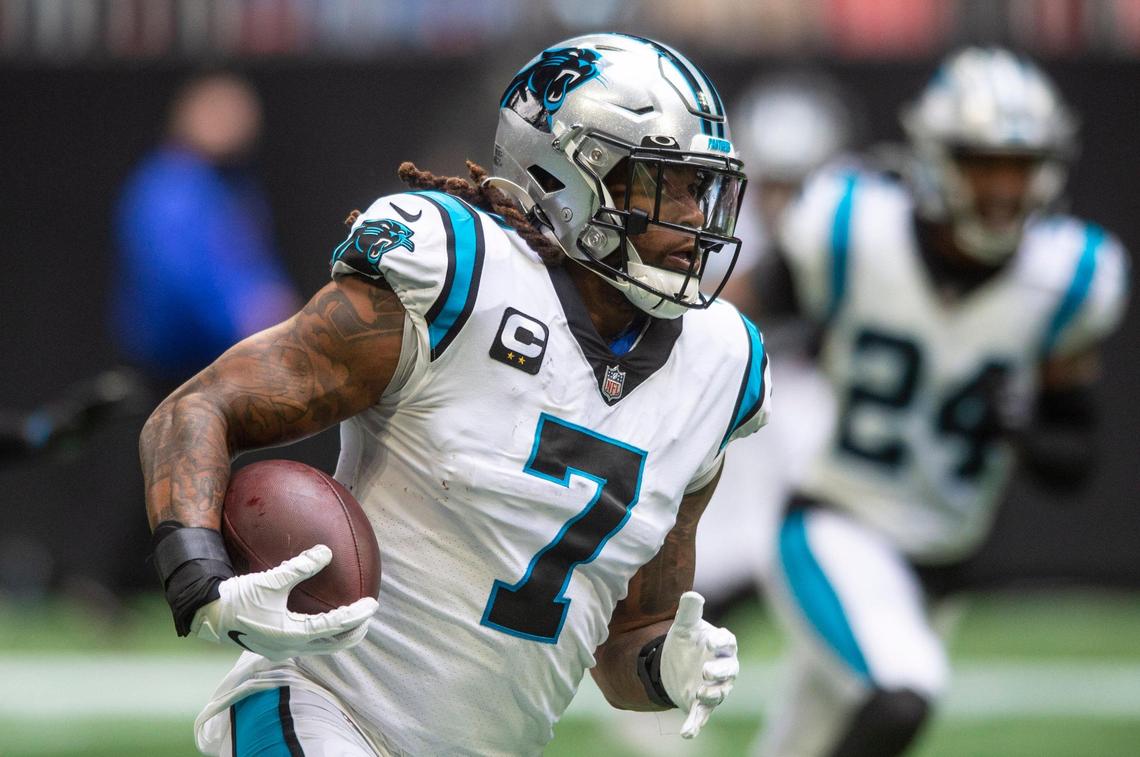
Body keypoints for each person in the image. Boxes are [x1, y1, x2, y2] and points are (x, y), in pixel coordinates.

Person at [141, 34, 771, 756]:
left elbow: (628, 636)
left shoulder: (722, 365)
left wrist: (667, 665)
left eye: (703, 187)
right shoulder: (460, 278)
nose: (696, 217)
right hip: (325, 708)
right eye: (666, 183)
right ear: (569, 173)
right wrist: (202, 580)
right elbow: (199, 407)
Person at [754, 47, 1129, 757]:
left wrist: (1017, 424)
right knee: (902, 696)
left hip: (941, 560)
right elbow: (736, 318)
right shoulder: (852, 228)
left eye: (1019, 165)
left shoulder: (1069, 278)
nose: (1001, 187)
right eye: (982, 161)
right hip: (837, 522)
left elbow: (1072, 458)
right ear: (933, 158)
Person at [694, 72, 857, 625]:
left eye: (800, 185)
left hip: (812, 386)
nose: (785, 202)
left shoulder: (852, 225)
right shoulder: (717, 223)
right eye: (775, 185)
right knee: (723, 556)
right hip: (731, 390)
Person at [112, 71, 300, 390]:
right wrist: (242, 315)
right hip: (175, 373)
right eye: (220, 111)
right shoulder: (169, 186)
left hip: (225, 367)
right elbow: (177, 277)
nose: (236, 122)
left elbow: (251, 262)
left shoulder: (230, 185)